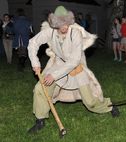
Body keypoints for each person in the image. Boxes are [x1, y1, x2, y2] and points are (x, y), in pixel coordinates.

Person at [27, 6, 120, 134]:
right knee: (40, 89)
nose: (66, 26)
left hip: (75, 68)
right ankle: (40, 120)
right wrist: (35, 62)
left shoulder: (75, 34)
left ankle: (109, 106)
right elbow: (33, 43)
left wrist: (53, 75)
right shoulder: (49, 32)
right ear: (55, 24)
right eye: (62, 24)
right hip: (58, 65)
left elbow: (74, 61)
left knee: (90, 103)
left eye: (67, 22)